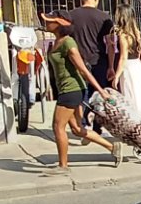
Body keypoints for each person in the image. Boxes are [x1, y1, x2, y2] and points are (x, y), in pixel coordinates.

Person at [42, 15, 117, 171]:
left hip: (72, 89)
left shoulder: (68, 42)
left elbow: (83, 70)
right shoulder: (56, 42)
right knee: (76, 129)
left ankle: (63, 166)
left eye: (49, 21)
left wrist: (101, 91)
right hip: (65, 89)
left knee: (58, 127)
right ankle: (113, 148)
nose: (46, 23)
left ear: (59, 24)